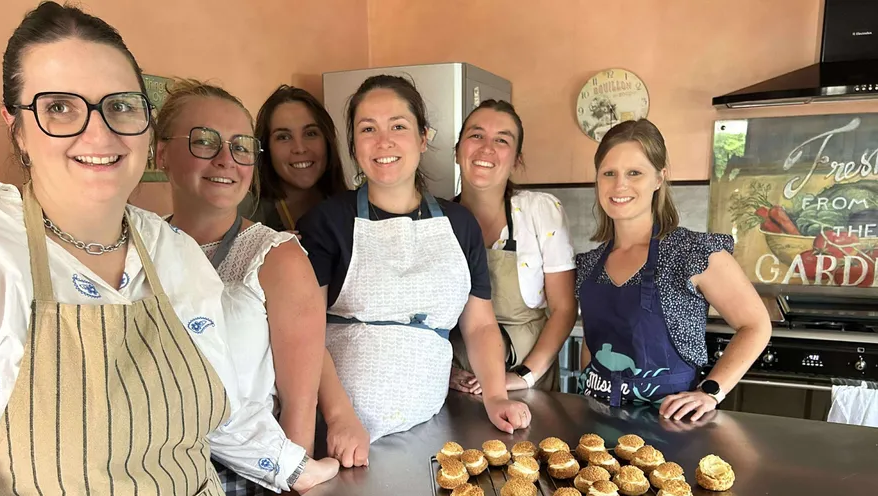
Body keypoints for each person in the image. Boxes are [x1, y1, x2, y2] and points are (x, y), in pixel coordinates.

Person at [0, 4, 332, 496]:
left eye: (119, 106)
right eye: (59, 107)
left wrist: (297, 469)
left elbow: (221, 405)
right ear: (16, 126)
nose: (98, 131)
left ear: (145, 123)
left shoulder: (171, 253)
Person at [299, 75, 531, 454]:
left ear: (423, 137)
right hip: (341, 432)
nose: (383, 141)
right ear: (354, 144)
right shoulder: (326, 222)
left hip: (427, 429)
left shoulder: (460, 225)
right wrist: (339, 417)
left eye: (398, 127)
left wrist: (495, 396)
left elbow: (480, 324)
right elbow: (305, 333)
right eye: (368, 128)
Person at [156, 79, 339, 496]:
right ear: (161, 155)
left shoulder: (278, 257)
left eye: (241, 146)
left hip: (247, 487)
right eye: (203, 141)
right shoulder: (142, 245)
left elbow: (300, 405)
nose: (226, 159)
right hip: (153, 481)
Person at [574, 119, 771, 421]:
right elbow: (592, 345)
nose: (619, 185)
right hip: (597, 419)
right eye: (608, 173)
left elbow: (756, 325)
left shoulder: (692, 253)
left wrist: (711, 392)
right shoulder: (589, 264)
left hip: (670, 428)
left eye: (634, 173)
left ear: (659, 178)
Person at [449, 99, 577, 394]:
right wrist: (446, 374)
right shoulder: (437, 218)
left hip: (528, 382)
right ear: (458, 151)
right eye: (476, 135)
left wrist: (524, 376)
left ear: (517, 159)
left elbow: (564, 308)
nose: (487, 148)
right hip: (456, 384)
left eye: (502, 140)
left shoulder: (540, 210)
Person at [246, 84, 347, 232]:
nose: (300, 148)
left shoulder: (353, 209)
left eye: (310, 133)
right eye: (283, 137)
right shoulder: (246, 216)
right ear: (266, 148)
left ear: (327, 140)